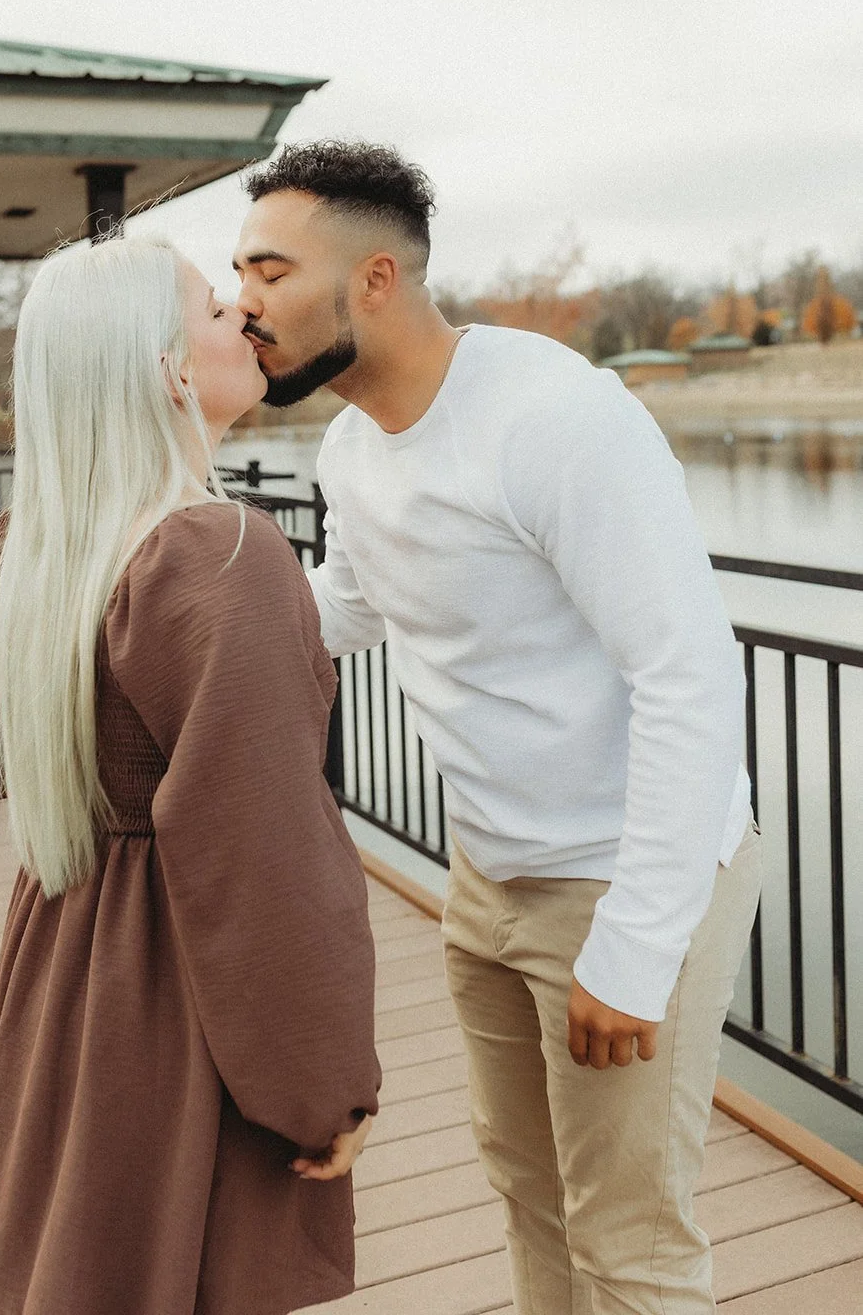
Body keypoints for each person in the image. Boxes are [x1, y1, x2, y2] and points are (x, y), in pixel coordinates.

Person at [232, 141, 763, 1315]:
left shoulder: (551, 416)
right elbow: (345, 606)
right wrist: (180, 612)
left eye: (269, 271)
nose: (243, 302)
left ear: (374, 279)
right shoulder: (351, 447)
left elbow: (685, 672)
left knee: (629, 1241)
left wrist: (633, 946)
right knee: (528, 1195)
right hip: (486, 878)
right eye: (237, 275)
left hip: (619, 877)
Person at [0, 230, 380, 1315]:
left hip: (61, 968)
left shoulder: (49, 542)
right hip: (175, 995)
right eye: (215, 310)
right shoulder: (220, 553)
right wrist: (322, 1086)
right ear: (168, 369)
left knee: (73, 1259)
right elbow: (263, 855)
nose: (244, 315)